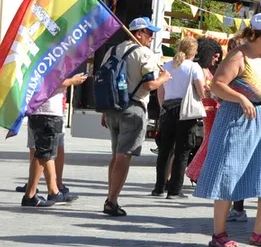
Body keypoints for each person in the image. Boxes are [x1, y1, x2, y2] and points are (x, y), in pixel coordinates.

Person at [193, 15, 261, 247]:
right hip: (238, 120)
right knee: (229, 173)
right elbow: (217, 84)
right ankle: (219, 234)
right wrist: (240, 98)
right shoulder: (238, 56)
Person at [101, 17, 171, 217]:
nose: (151, 37)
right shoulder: (144, 53)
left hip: (112, 107)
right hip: (133, 108)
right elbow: (149, 85)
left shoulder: (112, 50)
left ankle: (111, 196)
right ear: (138, 33)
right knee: (124, 155)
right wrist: (163, 79)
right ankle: (112, 200)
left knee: (115, 155)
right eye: (149, 33)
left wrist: (104, 110)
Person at [20, 73, 89, 207]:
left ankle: (51, 191)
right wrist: (72, 81)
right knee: (42, 154)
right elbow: (51, 82)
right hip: (47, 112)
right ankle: (30, 195)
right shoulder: (50, 59)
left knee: (46, 154)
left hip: (42, 111)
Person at [152, 36, 206, 199]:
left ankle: (159, 188)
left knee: (165, 150)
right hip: (186, 111)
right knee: (182, 151)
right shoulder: (194, 67)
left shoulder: (166, 66)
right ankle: (174, 190)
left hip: (168, 110)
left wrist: (163, 108)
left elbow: (160, 92)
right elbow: (201, 92)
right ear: (194, 51)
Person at [186, 38, 224, 186]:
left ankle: (198, 171)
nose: (217, 59)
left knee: (209, 140)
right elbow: (203, 91)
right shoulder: (201, 70)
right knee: (210, 140)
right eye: (214, 56)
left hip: (212, 107)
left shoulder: (206, 69)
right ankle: (196, 171)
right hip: (209, 107)